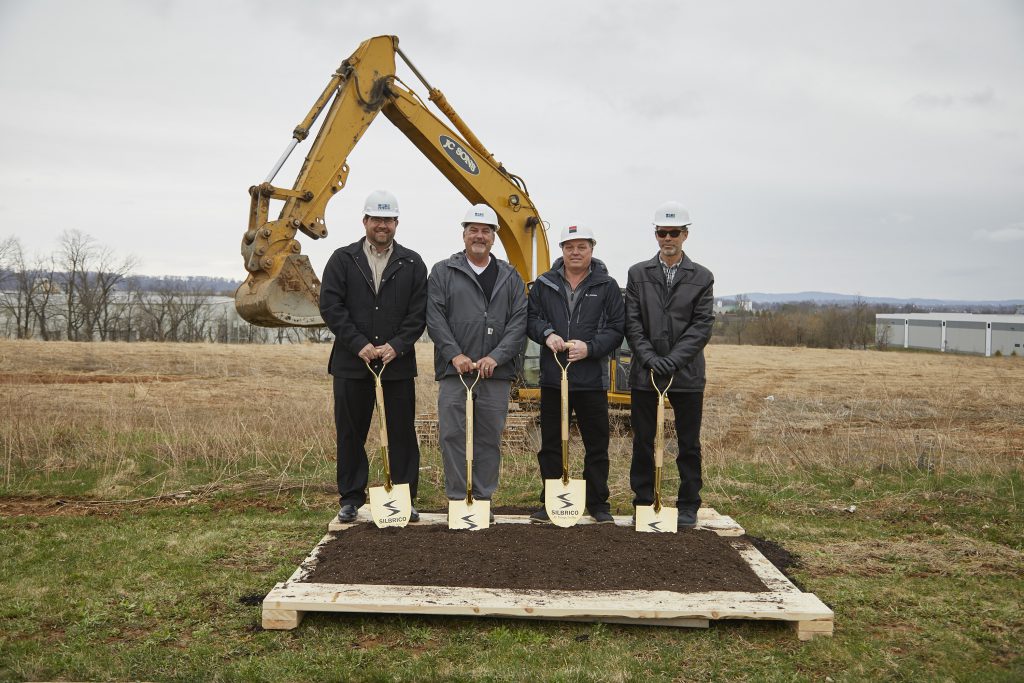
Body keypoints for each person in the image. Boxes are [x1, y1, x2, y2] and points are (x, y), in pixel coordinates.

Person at [320, 189, 427, 523]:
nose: (383, 225)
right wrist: (359, 344)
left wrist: (396, 345)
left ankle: (403, 497)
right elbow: (331, 307)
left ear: (396, 223)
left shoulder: (412, 262)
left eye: (388, 220)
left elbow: (419, 312)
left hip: (396, 365)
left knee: (401, 433)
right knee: (351, 432)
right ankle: (351, 498)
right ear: (365, 221)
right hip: (353, 364)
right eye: (377, 219)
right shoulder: (343, 259)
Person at [426, 203, 527, 508]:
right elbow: (435, 317)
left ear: (494, 237)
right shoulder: (443, 271)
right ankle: (459, 500)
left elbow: (518, 322)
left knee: (488, 438)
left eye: (485, 231)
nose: (479, 236)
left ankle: (481, 499)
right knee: (453, 436)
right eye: (473, 230)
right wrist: (454, 354)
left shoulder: (510, 276)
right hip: (455, 372)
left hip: (495, 373)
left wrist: (496, 357)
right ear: (464, 234)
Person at [625, 201, 715, 528]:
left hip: (687, 375)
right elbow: (632, 321)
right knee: (644, 440)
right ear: (656, 234)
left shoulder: (702, 277)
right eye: (662, 232)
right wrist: (650, 359)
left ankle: (688, 503)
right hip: (644, 373)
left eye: (673, 232)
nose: (667, 238)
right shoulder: (638, 274)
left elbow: (701, 325)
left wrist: (673, 361)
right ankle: (644, 501)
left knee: (688, 443)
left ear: (685, 235)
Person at [526, 224, 625, 524]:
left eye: (582, 246)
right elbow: (531, 318)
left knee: (597, 444)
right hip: (554, 379)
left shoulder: (606, 286)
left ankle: (597, 503)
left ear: (592, 249)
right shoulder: (544, 284)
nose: (576, 252)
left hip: (591, 380)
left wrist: (590, 348)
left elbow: (617, 328)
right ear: (562, 250)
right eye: (570, 247)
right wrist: (547, 334)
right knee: (552, 444)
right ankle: (552, 501)